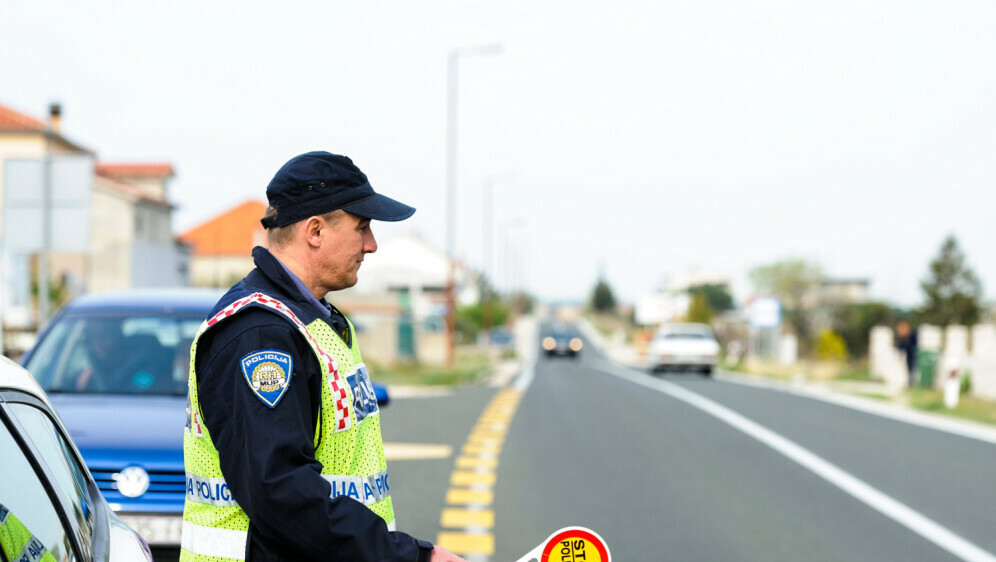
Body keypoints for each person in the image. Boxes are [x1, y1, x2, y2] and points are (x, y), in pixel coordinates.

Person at [180, 152, 464, 562]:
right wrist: (413, 557)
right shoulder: (261, 336)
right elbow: (282, 495)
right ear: (315, 231)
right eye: (362, 227)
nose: (371, 245)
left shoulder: (308, 320)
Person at [895, 319, 918, 388]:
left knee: (913, 370)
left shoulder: (913, 335)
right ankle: (909, 383)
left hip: (914, 355)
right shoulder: (902, 338)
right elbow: (900, 347)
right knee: (908, 370)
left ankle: (912, 383)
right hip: (908, 356)